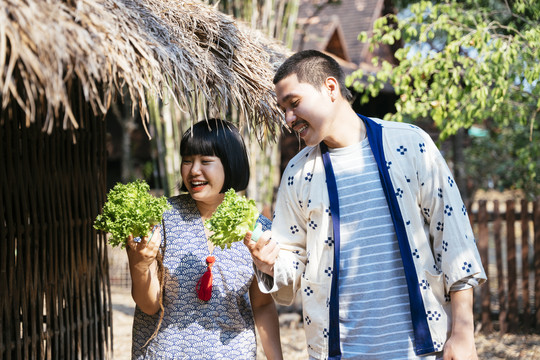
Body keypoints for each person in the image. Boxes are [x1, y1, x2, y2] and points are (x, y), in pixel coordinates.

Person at [244, 50, 487, 360]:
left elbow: (454, 240)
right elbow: (291, 260)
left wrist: (463, 333)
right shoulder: (297, 172)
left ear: (330, 88)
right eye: (284, 110)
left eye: (294, 104)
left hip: (423, 350)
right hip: (337, 352)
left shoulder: (411, 144)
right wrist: (269, 264)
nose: (289, 119)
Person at [126, 118, 283, 359]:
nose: (193, 170)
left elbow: (262, 305)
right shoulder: (160, 218)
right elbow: (148, 306)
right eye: (187, 160)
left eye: (205, 161)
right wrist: (139, 265)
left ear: (231, 164)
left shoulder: (257, 226)